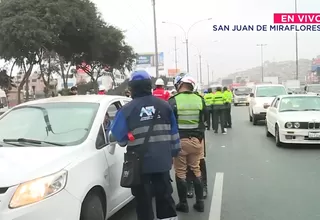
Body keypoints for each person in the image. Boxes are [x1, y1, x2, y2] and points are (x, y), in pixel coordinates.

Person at [110, 70, 180, 220]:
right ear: (150, 86)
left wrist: (128, 137)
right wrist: (173, 153)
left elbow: (117, 136)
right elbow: (174, 134)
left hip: (139, 165)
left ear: (132, 88)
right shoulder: (165, 106)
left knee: (143, 201)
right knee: (165, 197)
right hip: (162, 162)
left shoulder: (126, 110)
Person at [168, 73, 207, 213]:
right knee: (196, 169)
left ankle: (183, 204)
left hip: (179, 142)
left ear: (180, 85)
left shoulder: (173, 101)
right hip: (197, 141)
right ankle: (200, 202)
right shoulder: (200, 99)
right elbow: (205, 120)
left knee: (181, 173)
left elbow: (169, 122)